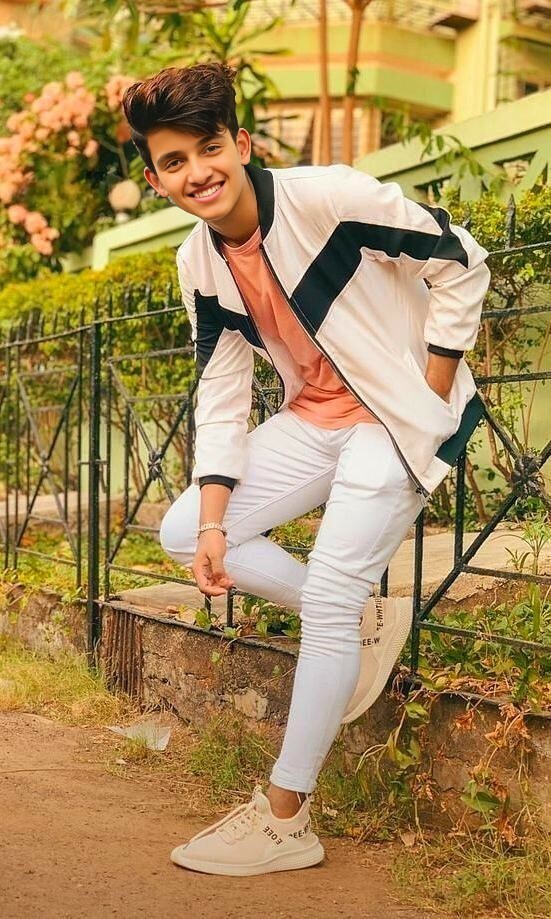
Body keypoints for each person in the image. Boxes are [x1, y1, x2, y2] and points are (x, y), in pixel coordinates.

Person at [122, 63, 490, 878]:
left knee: (327, 592)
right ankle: (360, 622)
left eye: (208, 148)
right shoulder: (198, 261)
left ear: (241, 143)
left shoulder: (327, 197)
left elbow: (460, 257)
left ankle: (287, 817)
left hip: (395, 416)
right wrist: (213, 520)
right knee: (183, 531)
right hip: (316, 417)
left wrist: (427, 394)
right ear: (155, 179)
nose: (197, 172)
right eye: (174, 162)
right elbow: (221, 391)